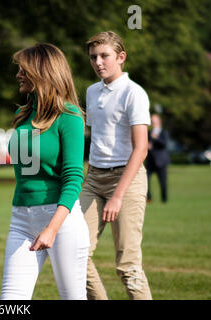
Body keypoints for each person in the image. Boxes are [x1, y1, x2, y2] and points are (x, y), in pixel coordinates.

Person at [0, 43, 90, 300]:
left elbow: (73, 178)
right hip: (21, 217)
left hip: (61, 220)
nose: (18, 75)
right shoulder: (22, 114)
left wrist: (51, 228)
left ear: (42, 72)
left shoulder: (69, 116)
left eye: (23, 70)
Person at [80, 31, 152, 300]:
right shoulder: (91, 91)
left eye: (104, 56)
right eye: (93, 57)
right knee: (75, 252)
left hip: (127, 180)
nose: (98, 62)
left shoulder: (134, 94)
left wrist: (118, 196)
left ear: (121, 57)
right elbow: (96, 140)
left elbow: (141, 148)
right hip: (94, 178)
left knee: (128, 266)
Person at [146, 114, 170, 203]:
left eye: (154, 120)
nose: (153, 122)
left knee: (163, 183)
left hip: (161, 161)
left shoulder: (163, 132)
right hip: (150, 161)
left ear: (159, 121)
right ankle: (149, 198)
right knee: (146, 181)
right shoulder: (149, 133)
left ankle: (164, 200)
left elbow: (164, 144)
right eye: (152, 120)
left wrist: (155, 138)